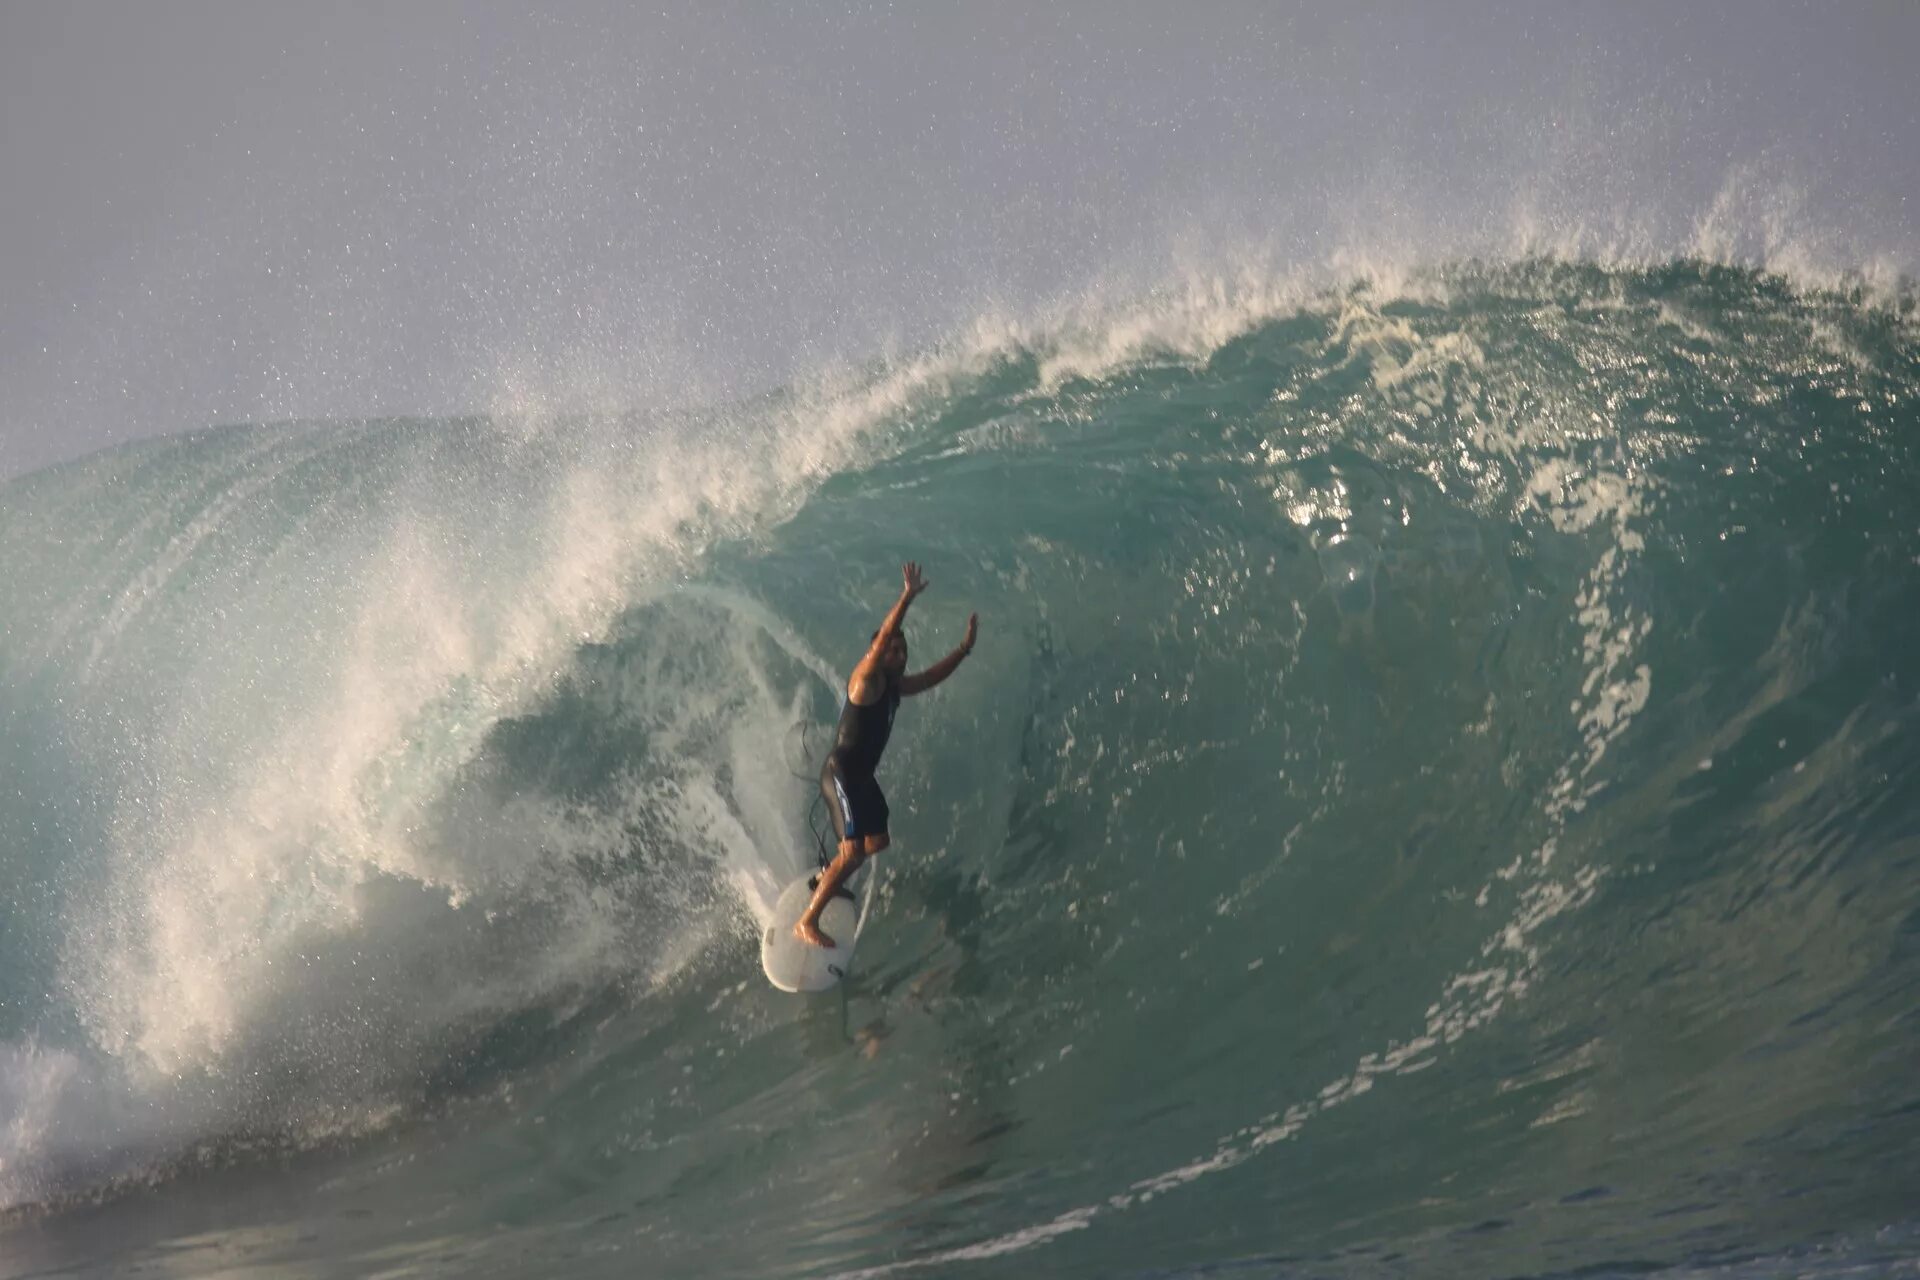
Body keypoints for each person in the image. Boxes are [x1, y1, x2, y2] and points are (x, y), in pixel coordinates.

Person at [795, 561, 977, 948]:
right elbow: (879, 645)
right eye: (891, 649)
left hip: (862, 778)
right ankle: (807, 921)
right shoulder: (866, 681)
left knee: (875, 843)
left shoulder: (895, 687)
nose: (898, 654)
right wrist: (906, 598)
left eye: (902, 650)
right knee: (855, 853)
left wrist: (962, 651)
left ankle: (827, 876)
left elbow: (929, 678)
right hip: (842, 773)